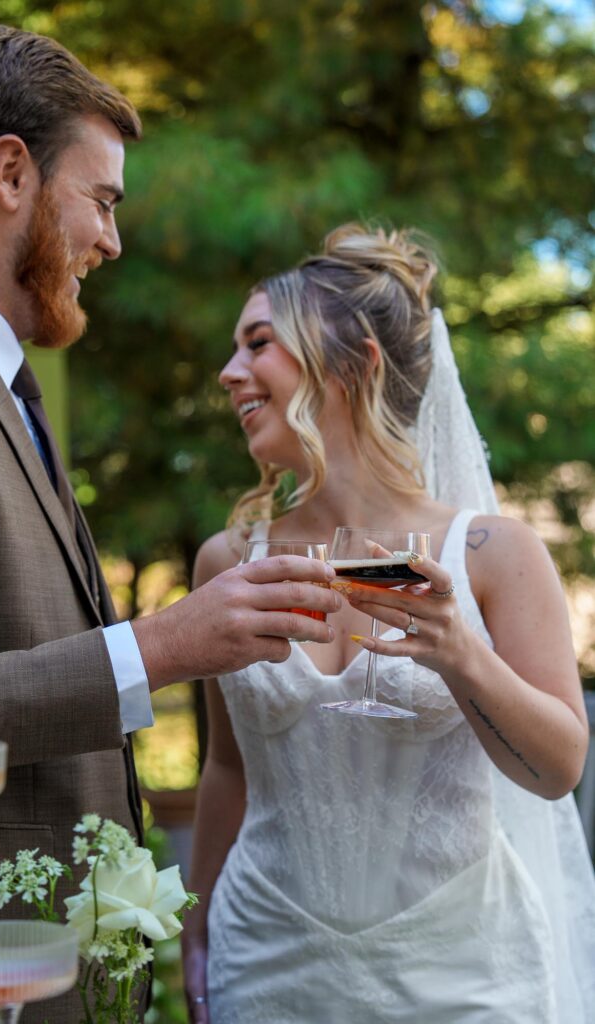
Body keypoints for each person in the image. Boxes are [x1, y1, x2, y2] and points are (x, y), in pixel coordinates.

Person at [0, 26, 339, 1024]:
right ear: (9, 173)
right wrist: (165, 643)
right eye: (103, 199)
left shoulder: (2, 389)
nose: (113, 241)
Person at [182, 223, 595, 1023]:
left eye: (257, 343)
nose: (229, 372)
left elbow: (558, 772)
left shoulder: (490, 556)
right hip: (268, 958)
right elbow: (228, 771)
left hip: (460, 971)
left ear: (354, 365)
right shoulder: (226, 561)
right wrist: (195, 932)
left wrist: (460, 654)